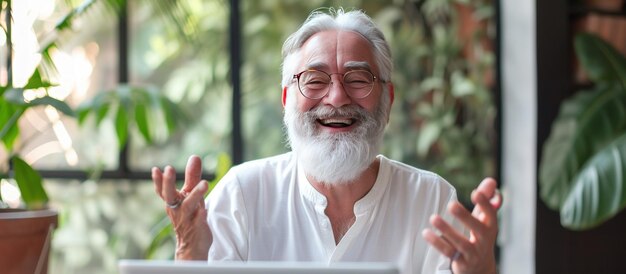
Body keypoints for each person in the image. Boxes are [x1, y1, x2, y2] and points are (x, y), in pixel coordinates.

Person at [152, 7, 501, 274]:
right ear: (287, 98)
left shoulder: (432, 200)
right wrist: (189, 253)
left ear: (388, 98)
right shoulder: (243, 193)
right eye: (315, 80)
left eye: (358, 78)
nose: (336, 98)